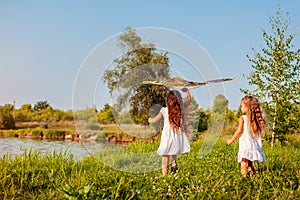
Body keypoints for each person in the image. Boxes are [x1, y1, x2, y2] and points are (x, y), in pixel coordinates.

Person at [148, 88, 191, 176]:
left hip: (167, 135)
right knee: (173, 147)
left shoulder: (164, 110)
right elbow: (188, 101)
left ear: (168, 100)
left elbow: (155, 120)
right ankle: (174, 162)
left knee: (165, 154)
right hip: (177, 134)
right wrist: (187, 92)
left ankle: (164, 175)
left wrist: (150, 120)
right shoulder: (180, 108)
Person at [227, 95, 266, 177]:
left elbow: (239, 131)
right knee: (250, 164)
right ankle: (255, 176)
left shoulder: (243, 118)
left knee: (244, 163)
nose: (241, 108)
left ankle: (244, 179)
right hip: (253, 146)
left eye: (242, 106)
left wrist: (231, 140)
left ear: (247, 108)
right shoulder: (255, 119)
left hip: (245, 145)